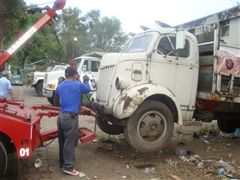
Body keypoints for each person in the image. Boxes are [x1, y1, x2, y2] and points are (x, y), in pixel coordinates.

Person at [55, 67, 90, 176]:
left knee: (63, 141)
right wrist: (86, 80)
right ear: (74, 75)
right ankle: (68, 167)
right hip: (70, 118)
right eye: (76, 74)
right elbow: (87, 89)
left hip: (61, 117)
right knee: (70, 143)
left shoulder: (60, 85)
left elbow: (57, 94)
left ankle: (62, 163)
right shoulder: (77, 84)